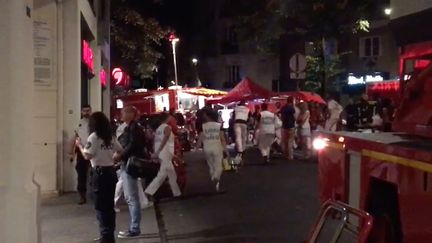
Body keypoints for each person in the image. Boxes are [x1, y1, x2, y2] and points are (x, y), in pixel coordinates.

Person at [75, 112, 122, 243]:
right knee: (109, 205)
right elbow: (120, 150)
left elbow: (87, 156)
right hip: (110, 172)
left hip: (99, 173)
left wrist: (79, 145)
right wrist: (112, 158)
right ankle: (109, 234)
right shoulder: (110, 137)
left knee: (100, 206)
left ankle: (105, 236)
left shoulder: (94, 137)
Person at [113, 106, 147, 238]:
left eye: (124, 112)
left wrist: (120, 155)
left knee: (131, 198)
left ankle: (134, 229)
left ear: (132, 114)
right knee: (130, 197)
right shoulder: (131, 127)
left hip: (129, 164)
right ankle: (134, 227)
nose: (121, 114)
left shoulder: (134, 128)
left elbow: (132, 145)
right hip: (126, 164)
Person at [113, 121, 152, 213]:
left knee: (131, 180)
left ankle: (143, 202)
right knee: (123, 181)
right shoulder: (126, 128)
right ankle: (113, 202)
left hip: (127, 157)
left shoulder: (130, 127)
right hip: (128, 158)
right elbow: (126, 144)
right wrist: (121, 155)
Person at [145, 113, 182, 198]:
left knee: (171, 174)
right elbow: (165, 140)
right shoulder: (167, 127)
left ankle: (177, 193)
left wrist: (156, 152)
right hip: (165, 153)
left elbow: (156, 142)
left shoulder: (159, 129)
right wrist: (158, 151)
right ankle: (149, 191)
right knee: (162, 175)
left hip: (163, 153)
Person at [198, 109, 227, 191]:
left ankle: (215, 182)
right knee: (219, 166)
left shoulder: (203, 126)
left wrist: (197, 146)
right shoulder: (218, 125)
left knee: (211, 166)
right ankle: (215, 178)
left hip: (207, 147)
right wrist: (225, 150)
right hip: (217, 147)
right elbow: (222, 139)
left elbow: (200, 137)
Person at [70, 104, 92, 205]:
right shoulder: (78, 123)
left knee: (95, 173)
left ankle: (95, 194)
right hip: (81, 150)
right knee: (81, 173)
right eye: (84, 111)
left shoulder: (94, 123)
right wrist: (71, 152)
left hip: (93, 150)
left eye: (88, 111)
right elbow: (75, 138)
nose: (86, 113)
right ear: (81, 112)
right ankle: (82, 196)